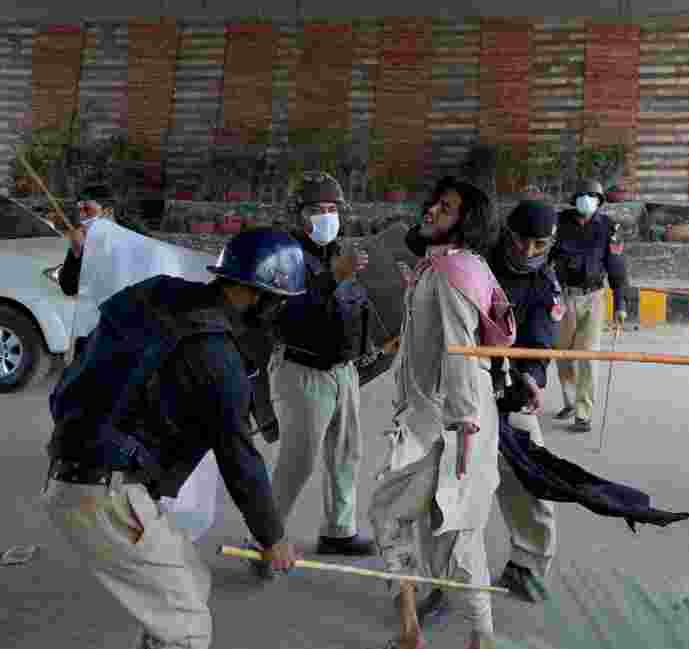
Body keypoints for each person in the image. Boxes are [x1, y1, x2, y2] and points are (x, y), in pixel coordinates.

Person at [42, 228, 305, 649]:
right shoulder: (218, 356)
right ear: (261, 295)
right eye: (280, 302)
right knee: (188, 629)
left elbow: (91, 349)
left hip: (80, 469)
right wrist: (273, 538)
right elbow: (239, 458)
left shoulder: (160, 294)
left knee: (191, 582)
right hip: (104, 495)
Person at [369, 180, 513, 649]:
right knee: (453, 529)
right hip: (436, 420)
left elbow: (460, 351)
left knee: (409, 521)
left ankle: (431, 633)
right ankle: (473, 634)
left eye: (446, 208)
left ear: (467, 222)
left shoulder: (452, 270)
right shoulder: (456, 266)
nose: (432, 210)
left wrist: (463, 427)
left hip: (444, 426)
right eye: (435, 202)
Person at [407, 200, 562, 619]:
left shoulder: (544, 281)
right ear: (504, 233)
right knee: (447, 494)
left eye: (539, 244)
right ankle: (440, 584)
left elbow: (542, 334)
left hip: (509, 394)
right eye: (522, 241)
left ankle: (525, 564)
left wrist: (532, 374)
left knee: (532, 484)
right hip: (457, 396)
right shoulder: (468, 262)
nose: (529, 251)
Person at [261, 171, 375, 564]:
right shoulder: (282, 256)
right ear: (298, 215)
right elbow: (286, 315)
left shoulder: (339, 252)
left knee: (347, 453)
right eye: (316, 210)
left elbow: (352, 306)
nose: (326, 217)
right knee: (299, 461)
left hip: (343, 370)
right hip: (302, 369)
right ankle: (266, 538)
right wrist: (334, 278)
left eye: (332, 209)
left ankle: (339, 531)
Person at [549, 179, 629, 432]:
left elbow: (617, 266)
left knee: (587, 354)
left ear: (599, 201)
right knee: (562, 353)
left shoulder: (609, 228)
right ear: (575, 200)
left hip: (593, 297)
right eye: (583, 196)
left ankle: (583, 413)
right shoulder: (558, 224)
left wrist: (620, 303)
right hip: (562, 296)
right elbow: (544, 258)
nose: (587, 200)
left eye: (592, 196)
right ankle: (570, 400)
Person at [54, 184, 116, 356]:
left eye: (88, 211)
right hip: (89, 334)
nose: (81, 218)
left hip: (121, 334)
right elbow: (68, 287)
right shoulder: (82, 242)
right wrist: (76, 254)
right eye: (79, 211)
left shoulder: (130, 242)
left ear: (108, 212)